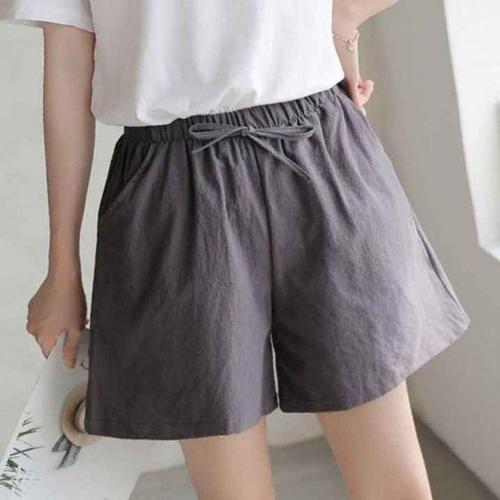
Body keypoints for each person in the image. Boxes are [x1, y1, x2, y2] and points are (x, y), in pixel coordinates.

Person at [1, 1, 470, 498]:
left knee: (395, 487)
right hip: (174, 182)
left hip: (317, 145)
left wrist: (341, 18)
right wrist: (62, 270)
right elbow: (68, 65)